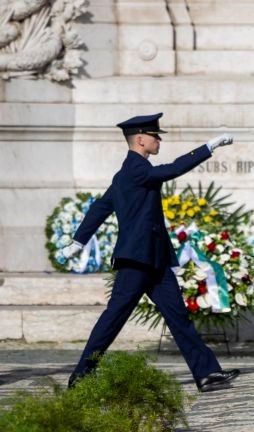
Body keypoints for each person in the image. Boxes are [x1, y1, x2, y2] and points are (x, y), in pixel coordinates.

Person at [61, 113, 240, 392]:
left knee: (178, 317)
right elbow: (171, 169)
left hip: (153, 259)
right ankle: (81, 376)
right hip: (136, 261)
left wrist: (79, 240)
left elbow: (101, 207)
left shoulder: (128, 173)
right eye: (155, 136)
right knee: (113, 318)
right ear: (140, 139)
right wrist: (208, 147)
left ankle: (206, 373)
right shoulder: (136, 169)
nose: (158, 140)